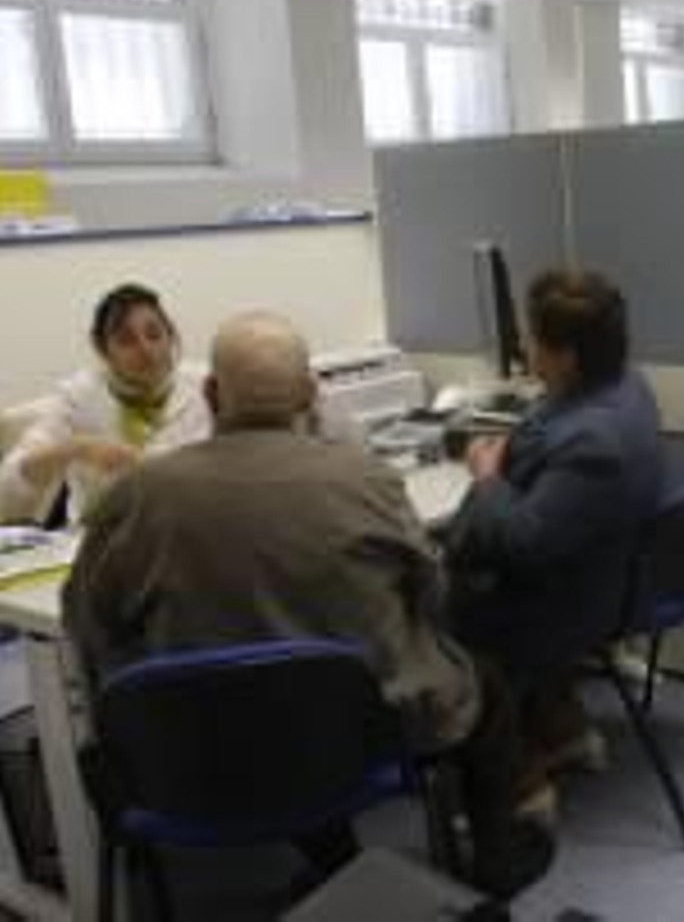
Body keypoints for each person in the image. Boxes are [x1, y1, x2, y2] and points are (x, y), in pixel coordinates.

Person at [63, 312, 552, 898]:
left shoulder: (140, 494)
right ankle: (496, 863)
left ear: (213, 395)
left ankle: (334, 866)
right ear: (312, 394)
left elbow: (85, 622)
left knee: (289, 712)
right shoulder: (364, 478)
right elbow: (432, 595)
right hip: (352, 738)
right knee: (478, 684)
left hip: (192, 750)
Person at [446, 270, 663, 818]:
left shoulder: (594, 438)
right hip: (595, 584)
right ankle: (561, 726)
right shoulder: (626, 388)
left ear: (566, 355)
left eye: (532, 337)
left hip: (559, 608)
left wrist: (487, 477)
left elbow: (522, 544)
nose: (523, 346)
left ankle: (512, 780)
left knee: (417, 607)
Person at [0, 284, 209, 524]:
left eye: (154, 335)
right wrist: (74, 448)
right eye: (126, 341)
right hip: (104, 538)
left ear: (171, 337)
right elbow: (8, 488)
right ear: (102, 349)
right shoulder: (78, 397)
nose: (146, 349)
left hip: (189, 530)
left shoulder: (206, 386)